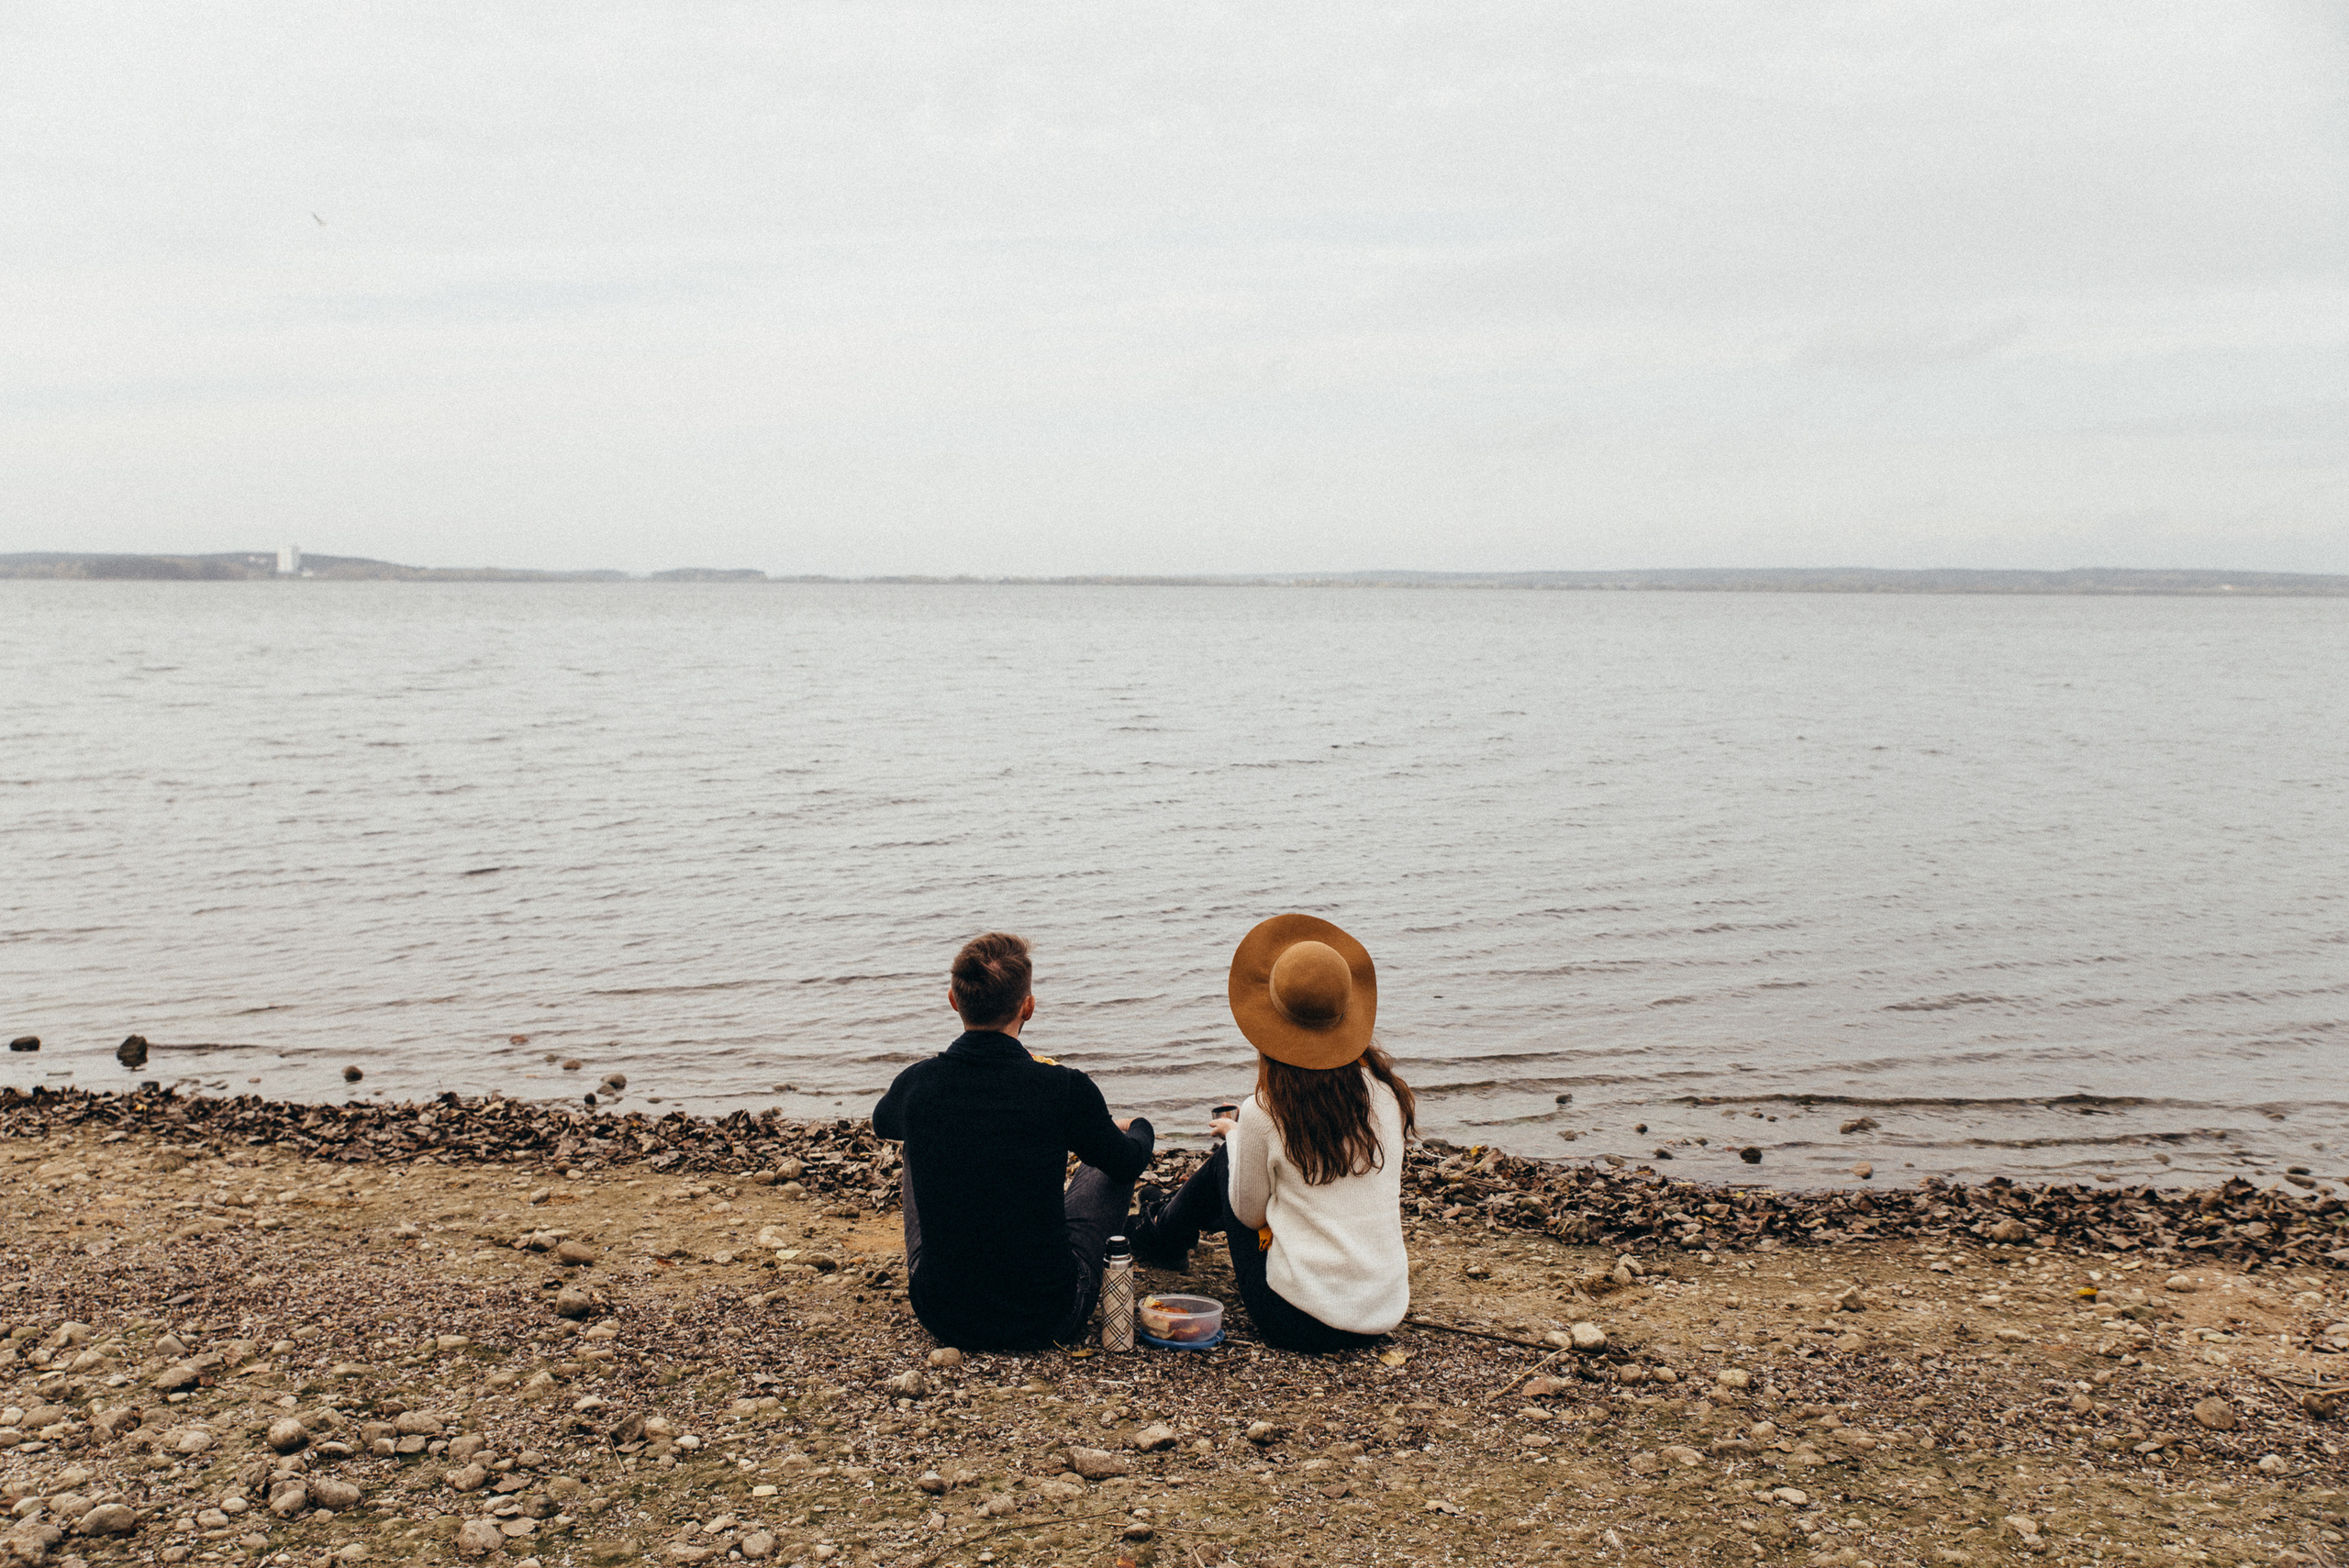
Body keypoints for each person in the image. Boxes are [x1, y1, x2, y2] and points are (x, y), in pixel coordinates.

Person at [1129, 914, 1414, 1352]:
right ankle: (1166, 1223)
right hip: (1380, 1313)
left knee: (1231, 1159)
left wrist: (1238, 1136)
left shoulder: (1265, 1111)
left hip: (1294, 1322)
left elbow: (1246, 1214)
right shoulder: (1388, 1096)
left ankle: (1163, 1231)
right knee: (1243, 1151)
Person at [874, 931, 1154, 1351]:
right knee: (1108, 1156)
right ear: (1028, 1006)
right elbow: (1128, 1164)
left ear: (953, 1000)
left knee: (918, 1133)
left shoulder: (919, 1082)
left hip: (943, 1312)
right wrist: (1139, 1129)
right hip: (1050, 1315)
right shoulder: (1061, 1087)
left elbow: (883, 1123)